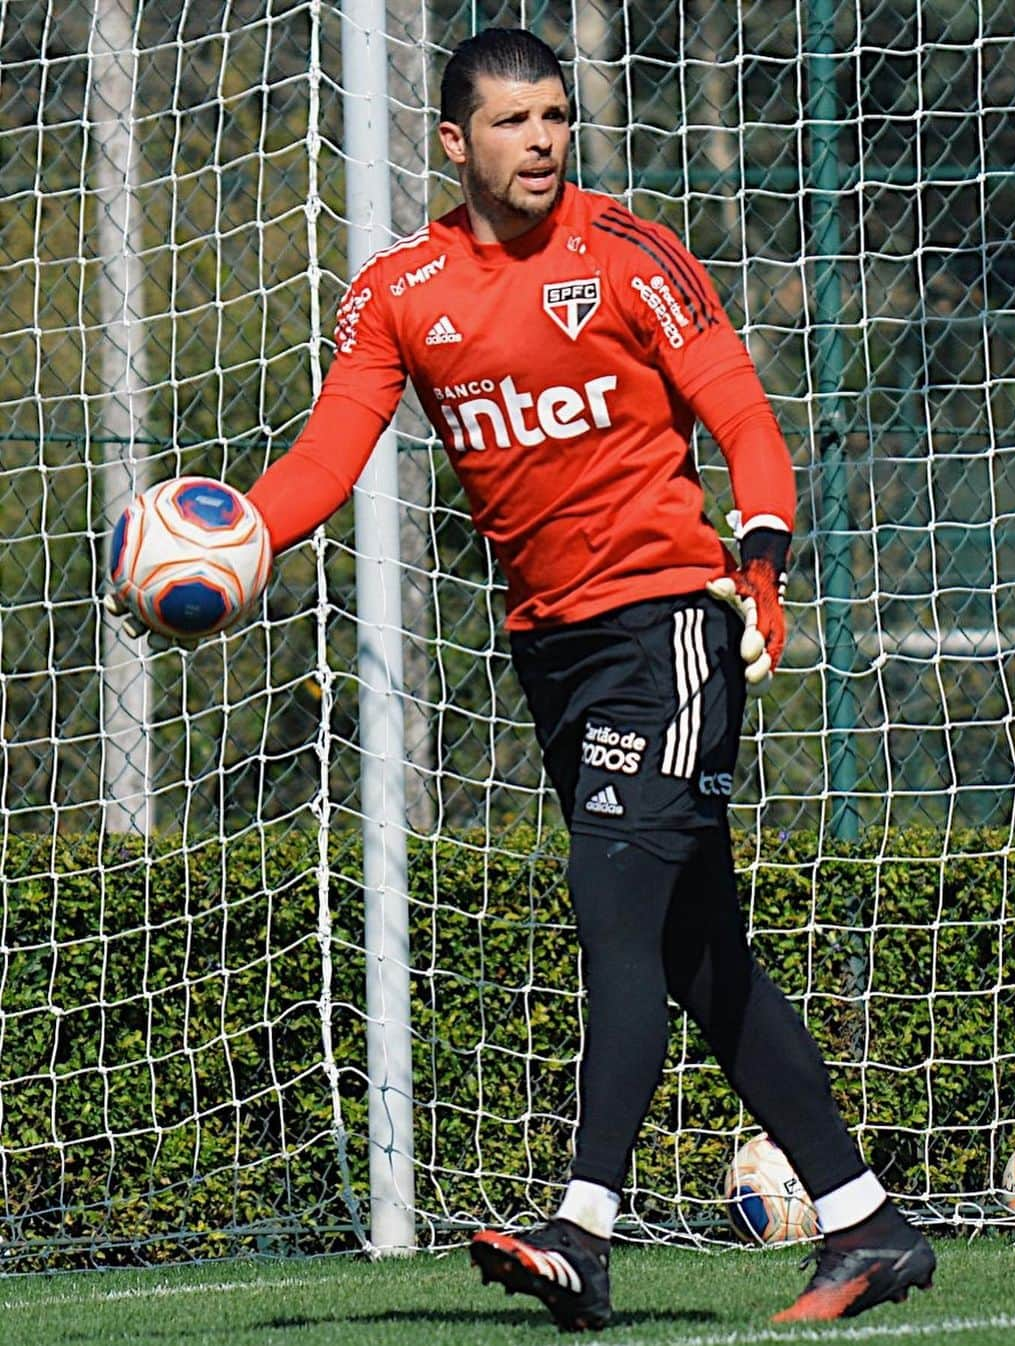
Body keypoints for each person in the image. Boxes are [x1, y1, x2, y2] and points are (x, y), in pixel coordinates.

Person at [107, 26, 935, 1332]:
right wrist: (248, 533)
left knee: (612, 901)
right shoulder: (400, 293)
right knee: (697, 951)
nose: (542, 139)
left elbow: (743, 417)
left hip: (669, 625)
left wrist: (762, 557)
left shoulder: (629, 254)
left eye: (554, 114)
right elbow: (332, 449)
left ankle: (583, 1230)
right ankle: (865, 1221)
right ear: (454, 141)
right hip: (551, 650)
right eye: (511, 121)